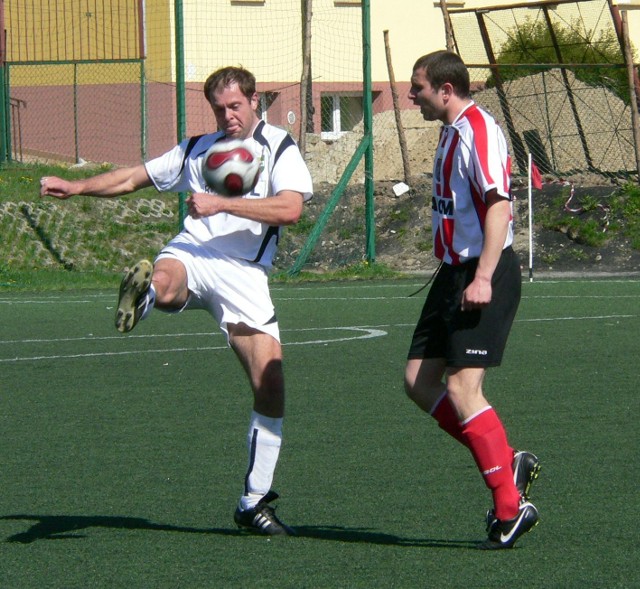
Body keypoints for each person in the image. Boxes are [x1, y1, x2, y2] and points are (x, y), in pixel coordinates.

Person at [40, 66, 313, 536]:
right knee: (164, 276)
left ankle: (253, 501)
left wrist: (222, 204)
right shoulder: (195, 149)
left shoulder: (279, 147)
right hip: (193, 252)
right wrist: (77, 187)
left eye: (235, 106)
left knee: (271, 384)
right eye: (219, 108)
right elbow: (134, 178)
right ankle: (144, 297)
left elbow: (290, 208)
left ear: (253, 102)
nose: (227, 116)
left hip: (245, 273)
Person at [404, 50, 540, 549]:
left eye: (416, 86)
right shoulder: (451, 128)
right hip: (454, 272)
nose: (410, 94)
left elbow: (499, 207)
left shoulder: (478, 130)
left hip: (483, 273)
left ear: (445, 89)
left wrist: (482, 278)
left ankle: (509, 507)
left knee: (463, 388)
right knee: (419, 382)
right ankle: (508, 461)